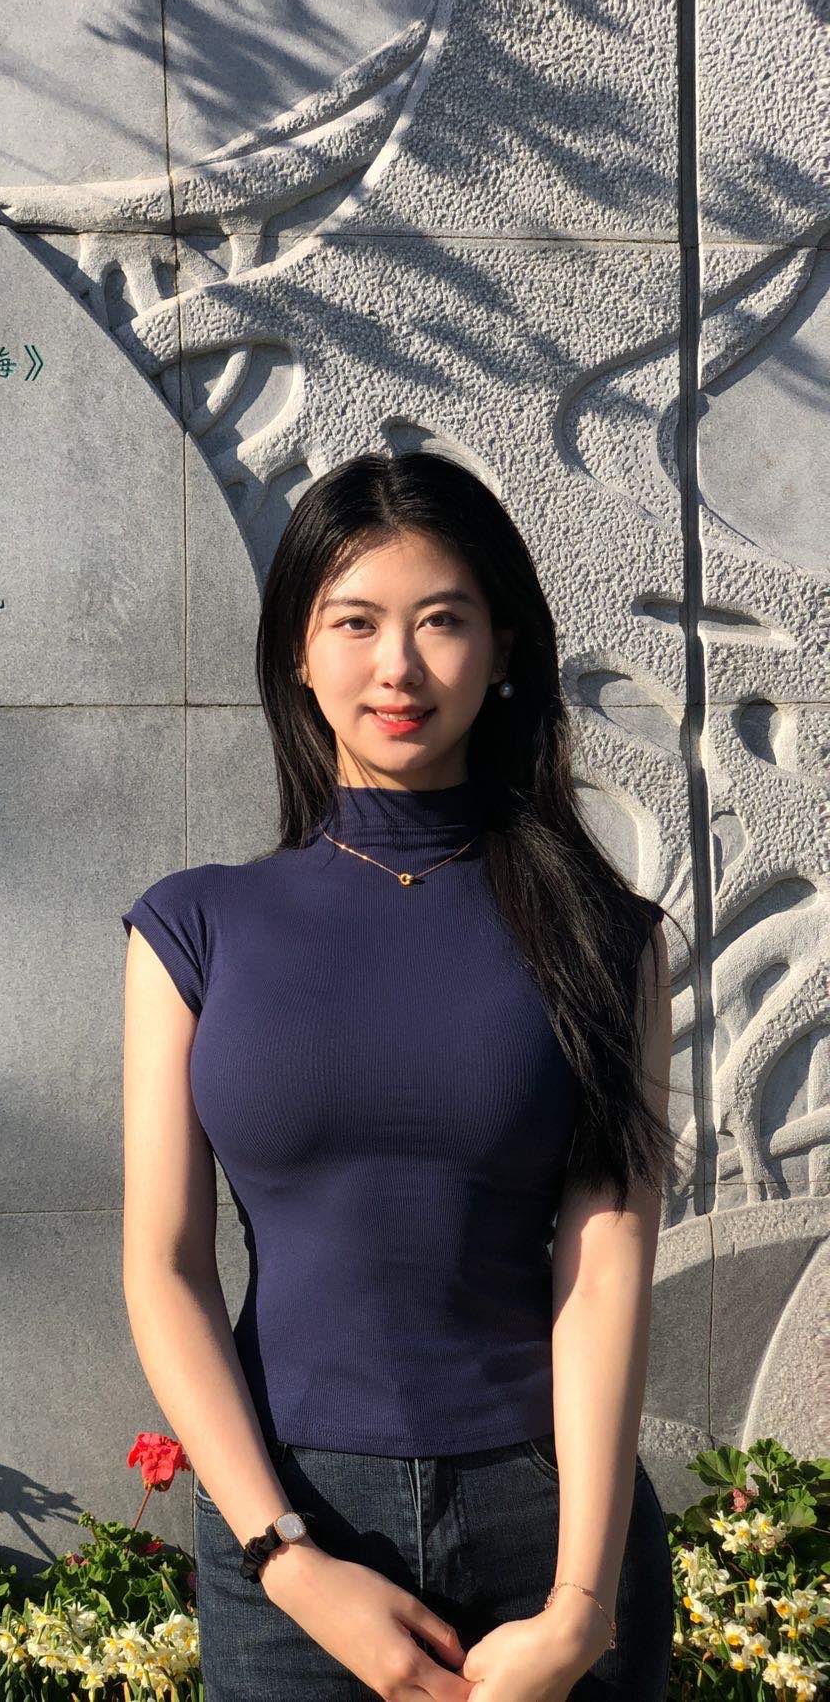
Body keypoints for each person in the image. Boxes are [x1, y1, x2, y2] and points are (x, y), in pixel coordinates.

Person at [119, 450, 679, 1701]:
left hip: (550, 1528)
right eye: (354, 622)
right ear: (297, 652)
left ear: (501, 647)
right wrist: (286, 1559)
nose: (398, 667)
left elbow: (603, 1270)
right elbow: (164, 1264)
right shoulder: (193, 929)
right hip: (291, 1529)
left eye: (441, 620)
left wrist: (579, 1611)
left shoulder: (605, 936)